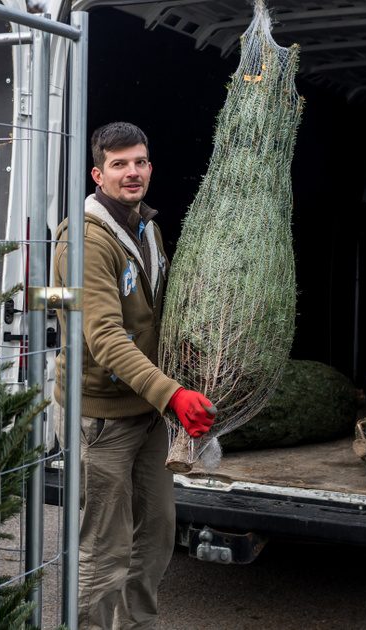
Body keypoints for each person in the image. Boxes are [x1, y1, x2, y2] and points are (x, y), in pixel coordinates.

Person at [52, 121, 216, 630]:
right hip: (100, 419)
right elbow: (104, 337)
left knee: (158, 534)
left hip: (146, 412)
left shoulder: (147, 226)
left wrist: (183, 347)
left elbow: (151, 310)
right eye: (120, 164)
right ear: (98, 172)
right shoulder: (85, 243)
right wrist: (174, 395)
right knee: (104, 548)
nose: (132, 172)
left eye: (140, 161)